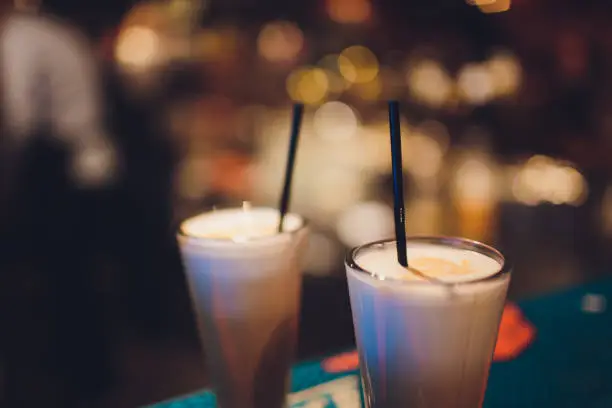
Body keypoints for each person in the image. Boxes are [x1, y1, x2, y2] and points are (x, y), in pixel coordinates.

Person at [0, 7, 118, 407]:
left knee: (69, 283)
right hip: (85, 171)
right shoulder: (47, 31)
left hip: (65, 175)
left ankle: (82, 383)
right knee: (78, 280)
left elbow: (19, 123)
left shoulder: (21, 41)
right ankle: (89, 377)